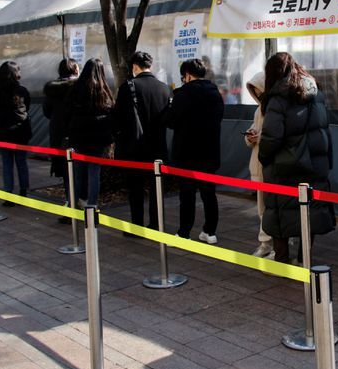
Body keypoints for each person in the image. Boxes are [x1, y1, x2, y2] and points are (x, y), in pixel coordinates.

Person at [257, 53, 334, 263]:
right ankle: (304, 258)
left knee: (280, 212)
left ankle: (282, 260)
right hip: (315, 164)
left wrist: (263, 157)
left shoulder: (278, 97)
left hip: (284, 166)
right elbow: (325, 130)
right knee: (309, 211)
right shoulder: (316, 93)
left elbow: (272, 137)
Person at [165, 58, 225, 243]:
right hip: (209, 151)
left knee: (187, 194)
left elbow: (170, 121)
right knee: (209, 193)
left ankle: (184, 232)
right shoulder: (215, 93)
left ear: (188, 75)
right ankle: (210, 232)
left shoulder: (183, 94)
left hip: (187, 153)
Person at [114, 51, 172, 228]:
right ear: (150, 65)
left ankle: (137, 225)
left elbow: (119, 117)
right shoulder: (164, 87)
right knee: (156, 188)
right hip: (158, 146)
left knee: (135, 189)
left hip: (135, 147)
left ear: (134, 67)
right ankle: (156, 224)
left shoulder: (128, 86)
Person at [66, 58, 114, 208]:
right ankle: (92, 205)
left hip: (79, 136)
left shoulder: (76, 88)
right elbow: (111, 112)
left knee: (77, 173)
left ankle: (73, 203)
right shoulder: (104, 89)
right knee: (94, 172)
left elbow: (68, 110)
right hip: (98, 138)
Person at [0, 60, 32, 201]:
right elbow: (28, 106)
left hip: (2, 130)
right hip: (20, 131)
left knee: (6, 162)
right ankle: (24, 191)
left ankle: (8, 193)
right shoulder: (21, 90)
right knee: (21, 161)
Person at [244, 72, 274, 258]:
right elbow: (256, 129)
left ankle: (273, 244)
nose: (258, 94)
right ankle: (265, 243)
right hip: (258, 164)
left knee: (269, 209)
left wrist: (258, 137)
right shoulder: (260, 108)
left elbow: (275, 135)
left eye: (259, 91)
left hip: (268, 164)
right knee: (262, 209)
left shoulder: (274, 108)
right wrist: (250, 135)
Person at [43, 58, 79, 205]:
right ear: (74, 69)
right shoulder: (79, 87)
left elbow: (46, 111)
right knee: (79, 168)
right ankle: (78, 200)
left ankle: (69, 199)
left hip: (58, 132)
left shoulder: (53, 89)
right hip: (77, 131)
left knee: (65, 171)